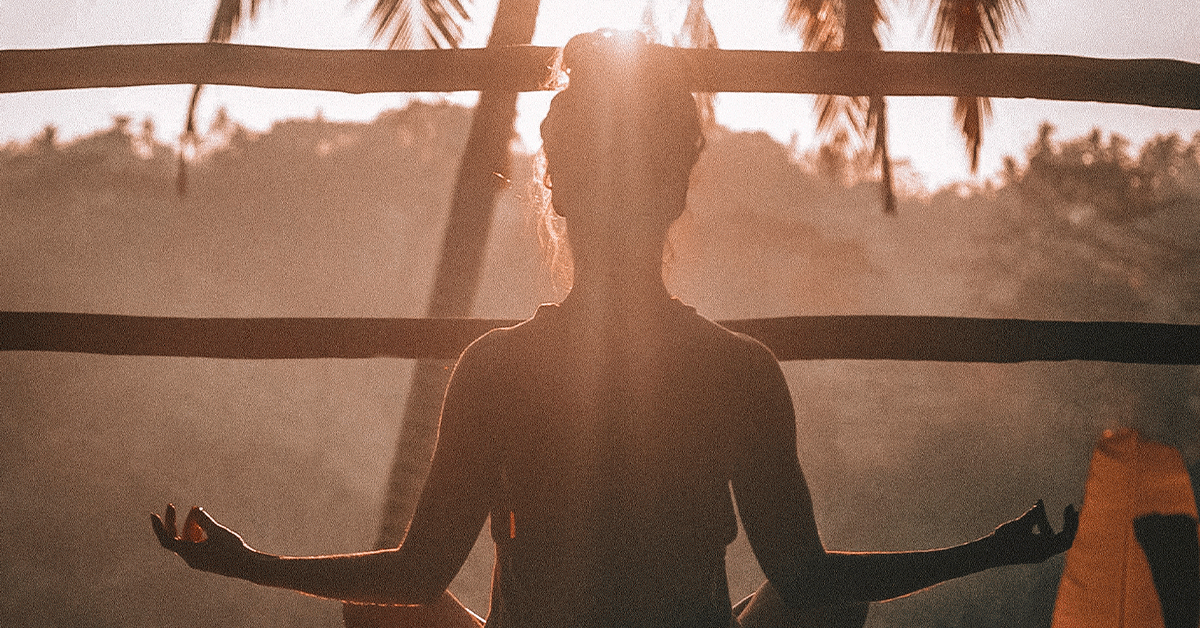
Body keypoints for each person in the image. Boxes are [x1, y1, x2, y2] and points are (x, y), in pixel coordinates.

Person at [152, 30, 1077, 628]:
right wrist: (988, 551)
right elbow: (809, 581)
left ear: (555, 194)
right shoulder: (736, 369)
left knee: (378, 613)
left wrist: (248, 564)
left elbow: (412, 576)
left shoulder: (499, 367)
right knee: (828, 614)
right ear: (677, 191)